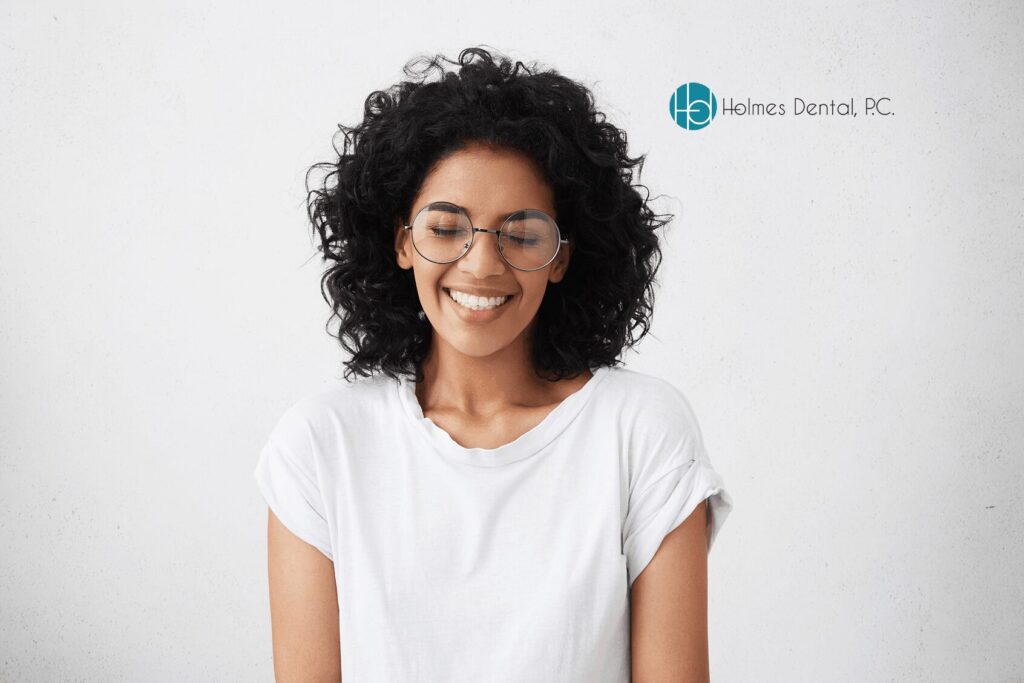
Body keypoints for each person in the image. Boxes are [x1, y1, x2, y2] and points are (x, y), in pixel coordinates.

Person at [253, 46, 734, 682]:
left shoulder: (640, 431)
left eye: (522, 233)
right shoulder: (320, 445)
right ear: (402, 242)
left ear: (562, 256)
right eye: (447, 227)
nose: (481, 265)